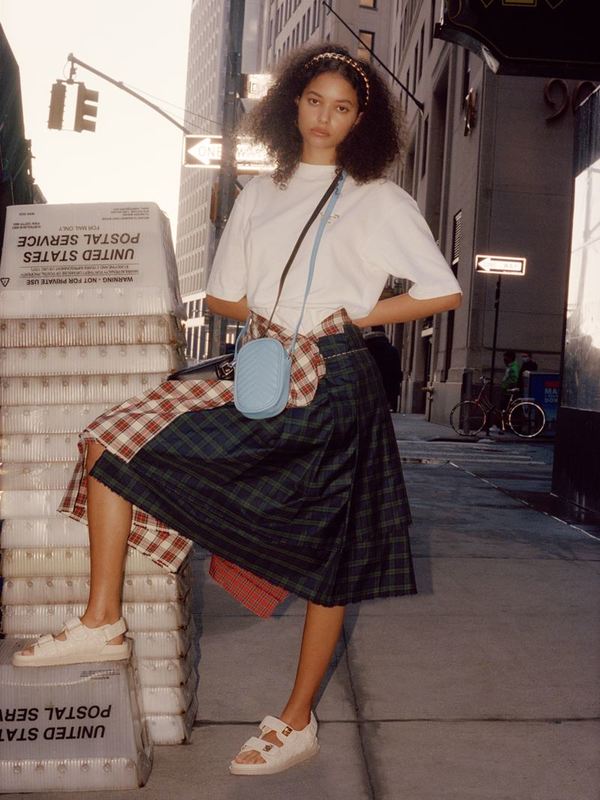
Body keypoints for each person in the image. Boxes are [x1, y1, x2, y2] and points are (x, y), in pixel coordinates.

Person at [12, 45, 462, 775]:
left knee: (331, 555)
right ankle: (102, 620)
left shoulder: (378, 198)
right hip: (265, 366)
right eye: (314, 101)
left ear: (360, 121)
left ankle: (296, 719)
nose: (324, 118)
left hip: (338, 378)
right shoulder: (260, 192)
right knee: (110, 441)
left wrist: (352, 313)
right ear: (292, 104)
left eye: (342, 108)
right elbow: (223, 295)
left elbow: (442, 289)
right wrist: (272, 318)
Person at [364, 325, 402, 410]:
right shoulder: (392, 350)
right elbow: (397, 371)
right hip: (388, 387)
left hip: (370, 386)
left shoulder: (365, 350)